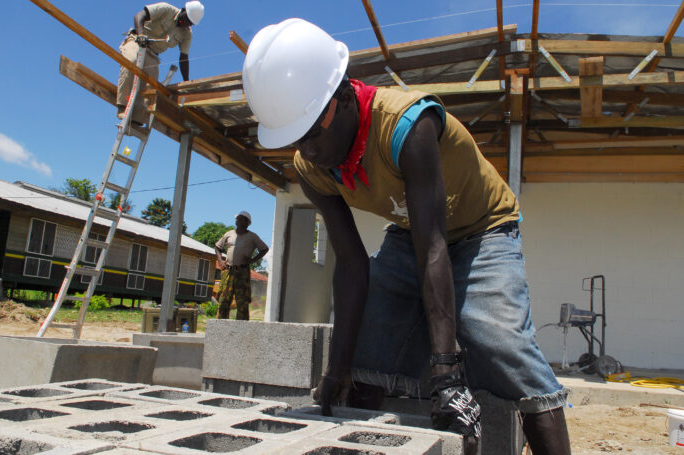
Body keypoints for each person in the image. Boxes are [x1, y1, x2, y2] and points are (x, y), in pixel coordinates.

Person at [242, 18, 571, 455]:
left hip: (482, 228)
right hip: (410, 231)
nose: (309, 151)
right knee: (368, 346)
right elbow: (352, 266)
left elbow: (434, 249)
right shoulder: (312, 169)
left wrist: (446, 374)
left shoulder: (407, 125)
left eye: (312, 133)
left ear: (341, 98)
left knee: (498, 340)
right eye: (295, 141)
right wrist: (337, 370)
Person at [116, 1, 204, 126]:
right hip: (136, 42)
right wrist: (141, 35)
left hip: (153, 54)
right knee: (131, 62)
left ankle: (137, 119)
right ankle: (122, 106)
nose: (186, 24)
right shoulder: (165, 9)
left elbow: (184, 57)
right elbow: (139, 16)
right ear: (183, 10)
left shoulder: (187, 34)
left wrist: (186, 82)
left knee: (151, 85)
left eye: (190, 23)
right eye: (186, 19)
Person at [214, 211, 269, 321]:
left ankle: (241, 328)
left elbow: (264, 249)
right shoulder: (229, 234)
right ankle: (220, 325)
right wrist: (220, 260)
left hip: (242, 272)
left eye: (240, 219)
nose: (237, 220)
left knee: (242, 302)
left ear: (247, 222)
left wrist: (252, 260)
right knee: (224, 300)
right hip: (228, 270)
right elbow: (218, 247)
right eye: (237, 218)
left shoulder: (252, 236)